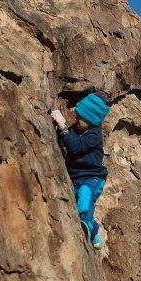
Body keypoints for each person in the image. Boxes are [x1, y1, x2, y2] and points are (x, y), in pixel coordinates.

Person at [49, 91, 110, 250]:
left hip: (93, 178)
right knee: (79, 205)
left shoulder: (95, 135)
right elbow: (65, 138)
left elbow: (75, 147)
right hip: (76, 177)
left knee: (84, 199)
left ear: (91, 120)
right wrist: (57, 127)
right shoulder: (77, 129)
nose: (75, 120)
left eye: (80, 118)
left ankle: (87, 231)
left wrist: (62, 125)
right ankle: (94, 229)